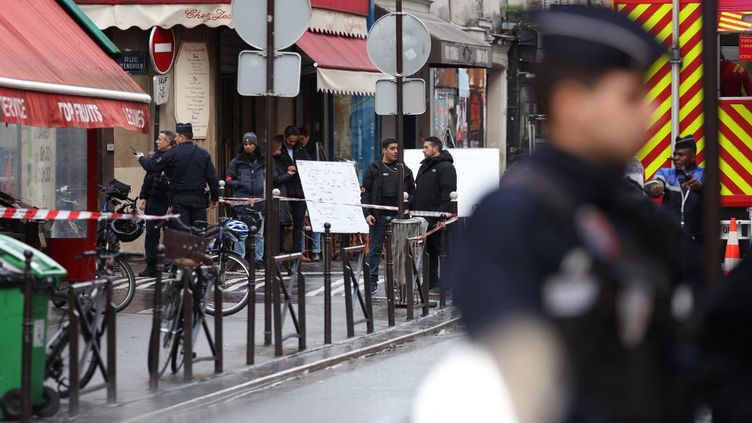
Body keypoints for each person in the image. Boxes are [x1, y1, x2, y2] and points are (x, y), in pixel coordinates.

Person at [450, 8, 701, 422]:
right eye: (630, 98)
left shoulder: (637, 218)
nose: (649, 115)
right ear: (573, 105)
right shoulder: (516, 220)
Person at [135, 122, 219, 229]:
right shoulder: (203, 153)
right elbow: (212, 178)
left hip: (180, 201)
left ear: (182, 137)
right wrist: (214, 198)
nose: (175, 139)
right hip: (199, 200)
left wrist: (141, 158)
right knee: (199, 233)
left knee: (182, 234)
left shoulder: (173, 153)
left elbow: (152, 167)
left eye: (177, 136)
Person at [362, 138, 416, 293]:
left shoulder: (404, 170)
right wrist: (367, 214)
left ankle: (397, 280)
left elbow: (412, 192)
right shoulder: (373, 168)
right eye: (392, 148)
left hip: (398, 217)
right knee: (375, 250)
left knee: (399, 250)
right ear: (384, 150)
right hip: (378, 216)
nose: (396, 151)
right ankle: (372, 281)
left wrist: (407, 209)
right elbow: (365, 194)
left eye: (397, 148)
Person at [411, 136, 457, 291]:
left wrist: (441, 216)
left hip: (437, 218)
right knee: (428, 251)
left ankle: (445, 285)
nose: (423, 150)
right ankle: (430, 282)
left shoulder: (446, 167)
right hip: (423, 216)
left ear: (436, 148)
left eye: (426, 147)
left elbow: (447, 193)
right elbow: (418, 190)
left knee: (441, 251)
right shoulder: (424, 166)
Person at [646, 135, 704, 242]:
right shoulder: (666, 173)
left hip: (697, 241)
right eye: (675, 154)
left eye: (681, 155)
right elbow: (656, 183)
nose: (676, 158)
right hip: (670, 240)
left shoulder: (704, 174)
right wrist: (655, 187)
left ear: (692, 156)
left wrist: (700, 188)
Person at [137, 130, 175, 277]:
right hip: (153, 200)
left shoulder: (173, 157)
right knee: (151, 234)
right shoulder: (156, 155)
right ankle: (151, 266)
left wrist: (141, 158)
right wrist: (143, 197)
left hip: (167, 200)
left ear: (168, 142)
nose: (157, 141)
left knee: (170, 234)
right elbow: (149, 177)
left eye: (160, 139)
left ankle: (171, 264)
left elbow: (150, 167)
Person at [226, 132, 264, 267]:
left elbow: (270, 178)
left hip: (258, 201)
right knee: (240, 232)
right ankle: (239, 259)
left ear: (255, 145)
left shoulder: (262, 160)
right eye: (246, 144)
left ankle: (258, 259)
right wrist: (240, 183)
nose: (248, 147)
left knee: (259, 234)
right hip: (241, 201)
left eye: (251, 144)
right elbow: (228, 180)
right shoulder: (236, 162)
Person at [276, 125, 311, 256]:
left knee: (299, 222)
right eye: (290, 140)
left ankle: (298, 251)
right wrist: (286, 169)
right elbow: (274, 166)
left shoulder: (301, 148)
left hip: (299, 189)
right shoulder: (279, 149)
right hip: (284, 188)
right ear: (285, 137)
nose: (292, 143)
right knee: (282, 220)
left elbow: (308, 164)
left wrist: (297, 167)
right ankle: (280, 249)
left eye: (295, 141)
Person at [298, 127, 321, 261]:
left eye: (302, 139)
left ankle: (316, 250)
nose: (300, 142)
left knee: (315, 220)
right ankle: (304, 250)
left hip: (312, 189)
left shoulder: (313, 149)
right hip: (301, 190)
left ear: (307, 137)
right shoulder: (300, 149)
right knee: (301, 221)